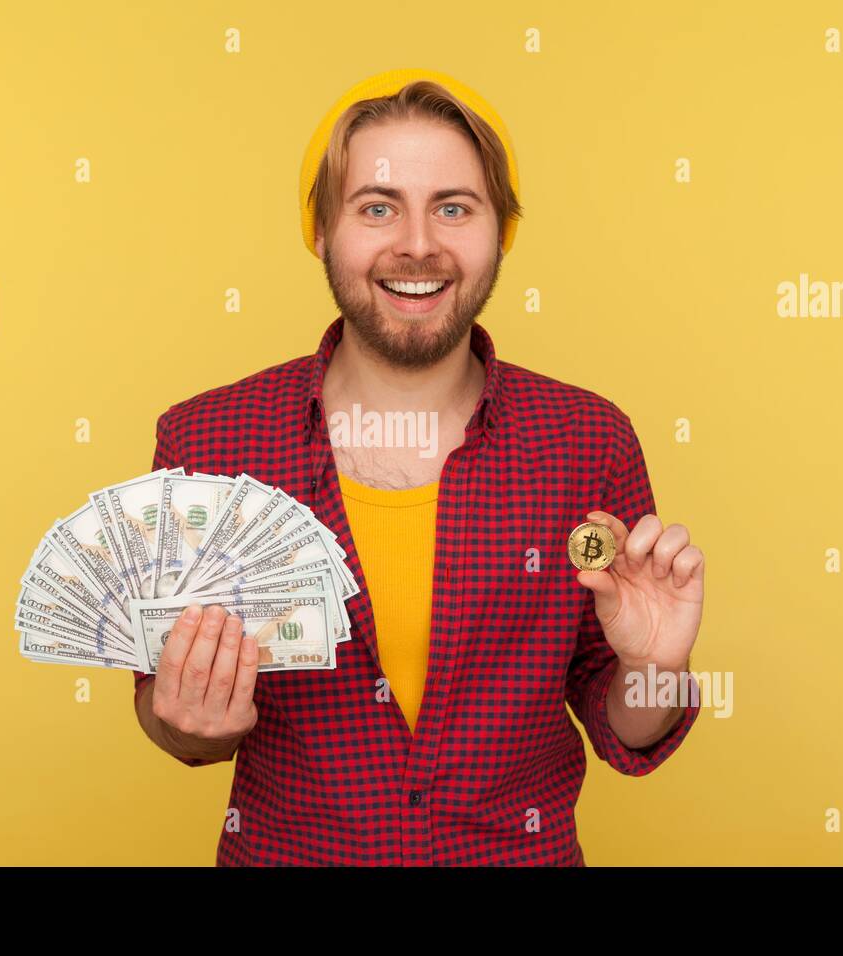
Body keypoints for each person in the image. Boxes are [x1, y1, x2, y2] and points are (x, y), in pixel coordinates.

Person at [133, 68, 706, 866]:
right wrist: (192, 722)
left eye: (453, 208)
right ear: (322, 231)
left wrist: (654, 668)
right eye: (377, 207)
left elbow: (626, 728)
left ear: (498, 231)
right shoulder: (210, 442)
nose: (417, 244)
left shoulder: (588, 440)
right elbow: (165, 720)